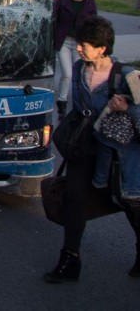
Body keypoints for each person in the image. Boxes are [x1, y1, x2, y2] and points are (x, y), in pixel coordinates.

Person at [44, 16, 140, 282]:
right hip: (85, 147)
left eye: (83, 44)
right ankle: (69, 261)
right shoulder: (79, 68)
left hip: (118, 154)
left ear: (101, 48)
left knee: (128, 203)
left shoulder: (127, 75)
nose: (78, 48)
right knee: (74, 200)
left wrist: (128, 108)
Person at [53, 0, 98, 118]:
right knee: (67, 73)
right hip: (64, 41)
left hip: (80, 43)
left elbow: (94, 23)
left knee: (80, 74)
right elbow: (54, 18)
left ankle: (80, 103)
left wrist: (91, 42)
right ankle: (62, 102)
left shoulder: (90, 3)